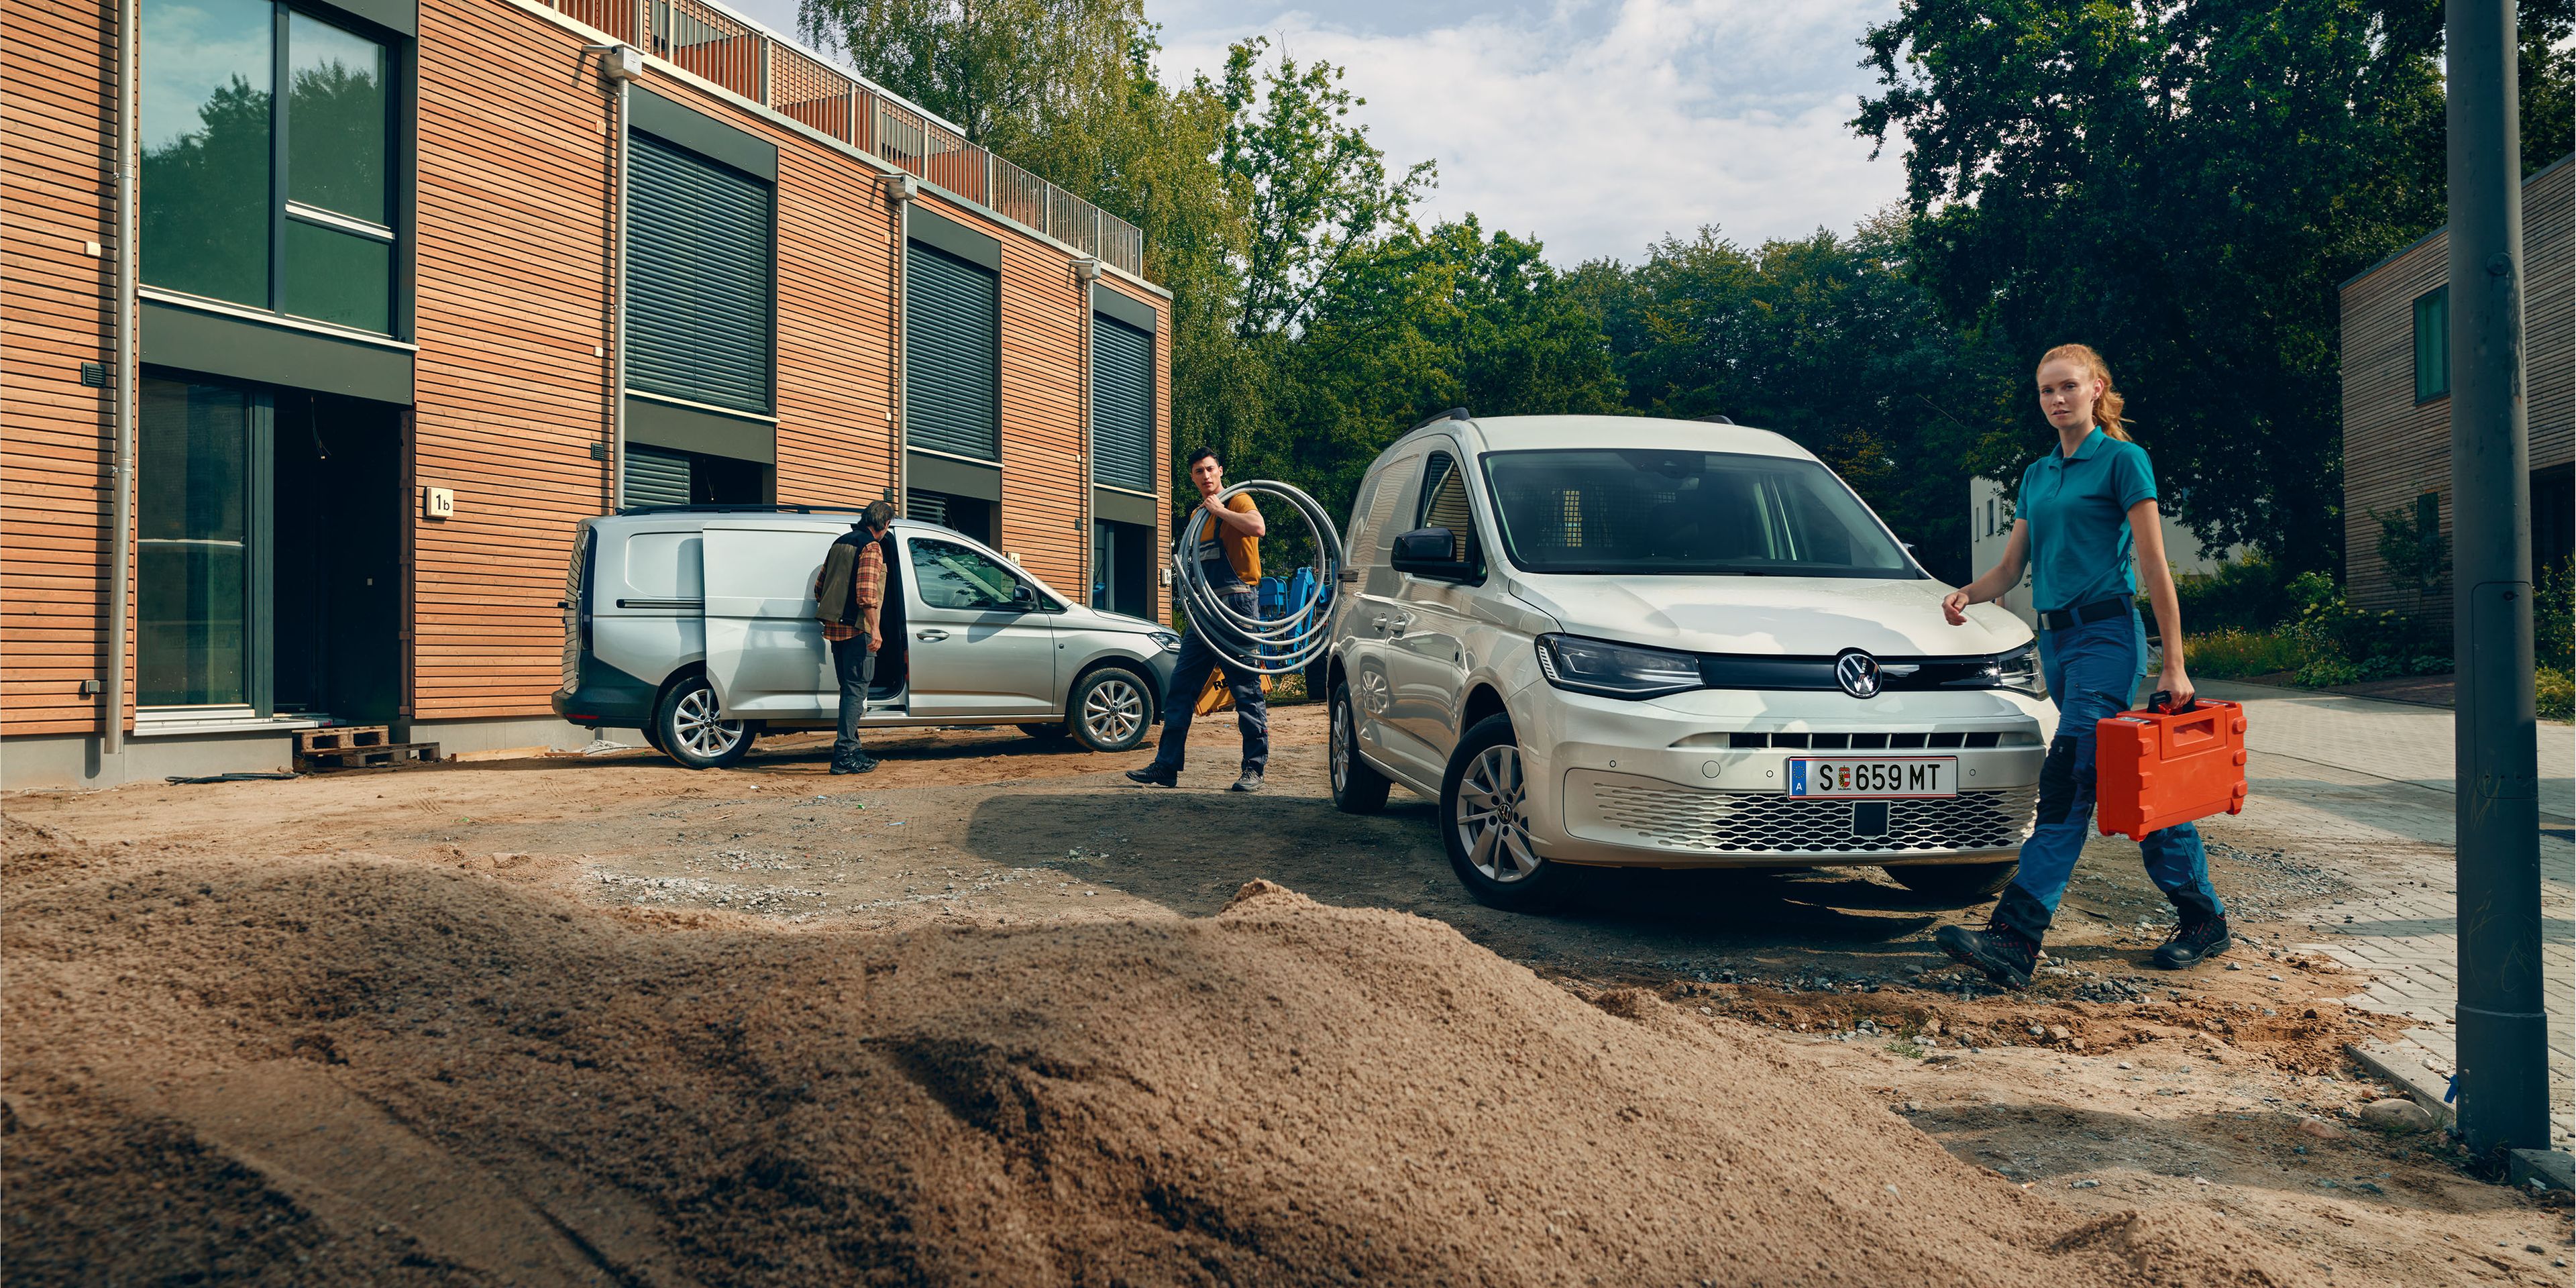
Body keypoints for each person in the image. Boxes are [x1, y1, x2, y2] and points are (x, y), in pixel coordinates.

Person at [1933, 343, 2228, 989]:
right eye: (2045, 391)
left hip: (2108, 636)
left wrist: (2172, 664)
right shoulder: (2037, 475)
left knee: (2067, 778)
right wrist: (1967, 593)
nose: (2056, 399)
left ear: (2097, 388)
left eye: (2068, 386)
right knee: (2130, 778)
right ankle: (2203, 916)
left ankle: (2015, 937)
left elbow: (2154, 565)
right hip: (2058, 647)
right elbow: (2013, 569)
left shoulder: (2124, 461)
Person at [1128, 448, 1269, 792]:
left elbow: (1258, 527)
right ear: (1192, 477)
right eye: (1198, 472)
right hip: (1204, 610)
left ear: (1220, 470)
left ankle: (1254, 768)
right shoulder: (1196, 515)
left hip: (1237, 605)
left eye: (1210, 469)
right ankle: (1167, 766)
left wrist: (1220, 509)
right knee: (1181, 687)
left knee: (1246, 689)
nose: (1205, 476)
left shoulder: (1237, 500)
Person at [814, 500, 897, 774]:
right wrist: (875, 629)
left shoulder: (841, 542)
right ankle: (845, 754)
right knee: (855, 691)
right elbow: (866, 594)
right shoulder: (871, 547)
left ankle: (853, 749)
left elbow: (820, 586)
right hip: (857, 629)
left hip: (835, 629)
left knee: (849, 691)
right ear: (884, 524)